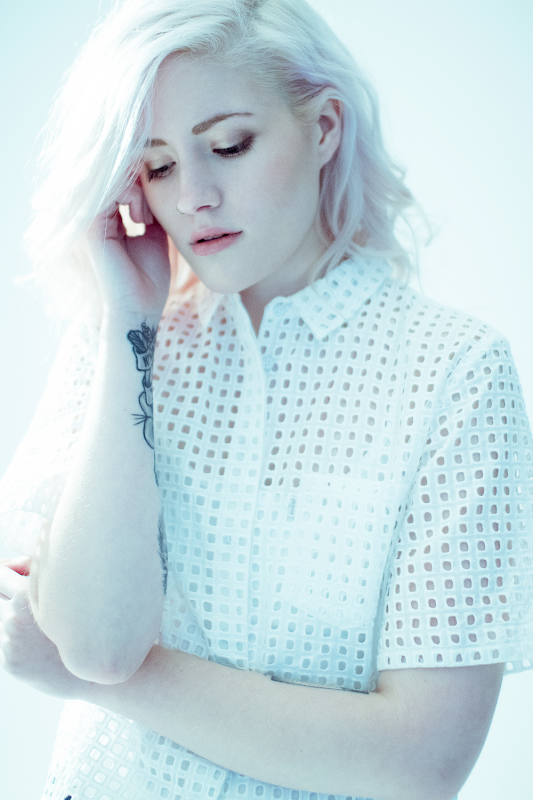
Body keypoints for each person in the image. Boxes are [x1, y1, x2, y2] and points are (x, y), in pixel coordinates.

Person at [0, 1, 531, 799]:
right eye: (157, 166)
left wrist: (92, 678)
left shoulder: (452, 370)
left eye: (228, 145)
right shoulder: (118, 341)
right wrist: (131, 321)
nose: (194, 197)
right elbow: (97, 642)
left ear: (324, 129)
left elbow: (420, 762)